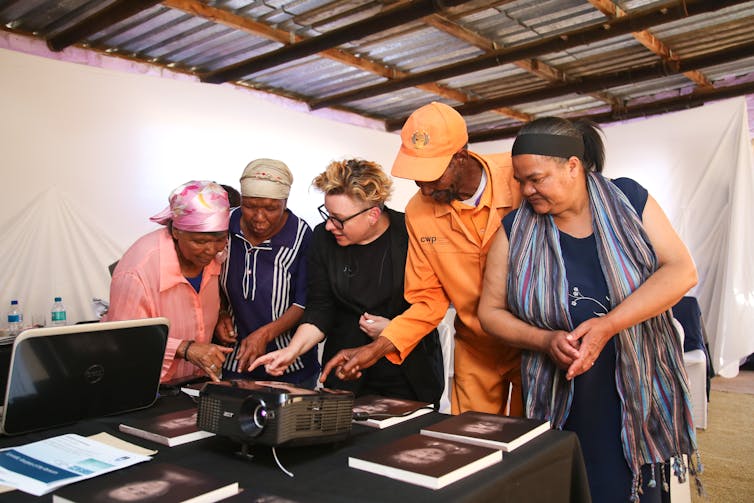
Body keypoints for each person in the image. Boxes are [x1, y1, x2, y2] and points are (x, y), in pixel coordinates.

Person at [477, 117, 700, 501]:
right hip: (565, 396)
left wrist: (609, 326)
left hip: (639, 387)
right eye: (520, 180)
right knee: (575, 487)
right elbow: (490, 312)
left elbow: (681, 271)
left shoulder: (629, 201)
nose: (526, 190)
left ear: (573, 166)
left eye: (536, 178)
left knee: (636, 487)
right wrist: (545, 340)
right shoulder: (514, 230)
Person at [319, 102, 522, 415]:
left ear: (461, 157)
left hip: (535, 344)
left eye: (432, 176)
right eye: (417, 177)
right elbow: (428, 301)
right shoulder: (419, 212)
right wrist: (376, 349)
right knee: (474, 442)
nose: (425, 189)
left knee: (539, 441)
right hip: (477, 349)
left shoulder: (520, 177)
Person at [250, 159, 443, 404]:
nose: (330, 225)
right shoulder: (322, 238)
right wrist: (292, 351)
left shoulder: (412, 235)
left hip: (410, 372)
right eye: (328, 214)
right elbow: (320, 308)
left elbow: (430, 305)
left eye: (339, 218)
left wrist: (392, 331)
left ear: (373, 214)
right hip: (345, 368)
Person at [106, 181, 234, 383]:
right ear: (176, 231)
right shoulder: (137, 271)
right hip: (145, 386)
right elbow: (123, 339)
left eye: (219, 239)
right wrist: (185, 348)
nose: (211, 249)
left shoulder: (218, 256)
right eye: (199, 242)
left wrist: (221, 314)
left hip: (193, 383)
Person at [214, 159, 319, 387]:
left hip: (290, 366)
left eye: (271, 208)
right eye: (250, 206)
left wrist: (264, 334)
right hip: (234, 361)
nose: (259, 217)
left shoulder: (301, 236)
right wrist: (221, 312)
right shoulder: (224, 225)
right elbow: (210, 276)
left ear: (285, 202)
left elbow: (304, 304)